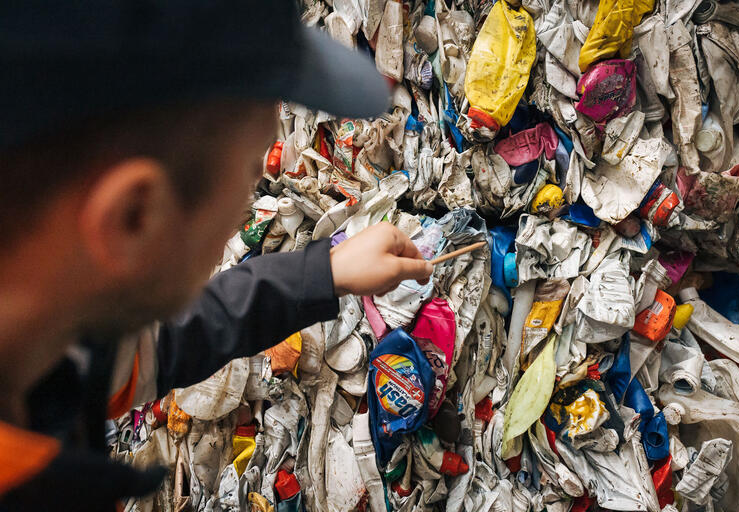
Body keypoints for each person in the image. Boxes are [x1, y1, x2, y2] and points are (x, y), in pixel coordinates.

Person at [0, 2, 433, 510]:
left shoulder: (56, 332)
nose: (250, 202)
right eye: (252, 172)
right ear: (135, 217)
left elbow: (159, 346)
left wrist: (324, 272)